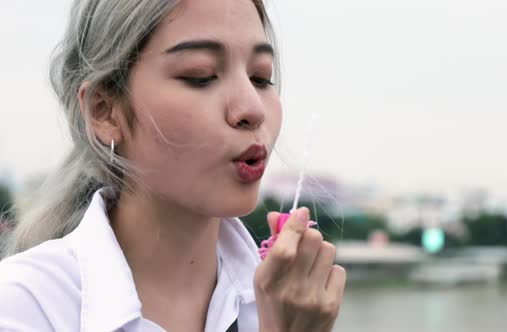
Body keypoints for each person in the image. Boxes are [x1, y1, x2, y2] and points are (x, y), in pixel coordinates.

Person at [0, 0, 346, 331]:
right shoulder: (27, 306)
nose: (253, 109)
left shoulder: (288, 304)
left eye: (260, 77)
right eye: (201, 76)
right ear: (104, 111)